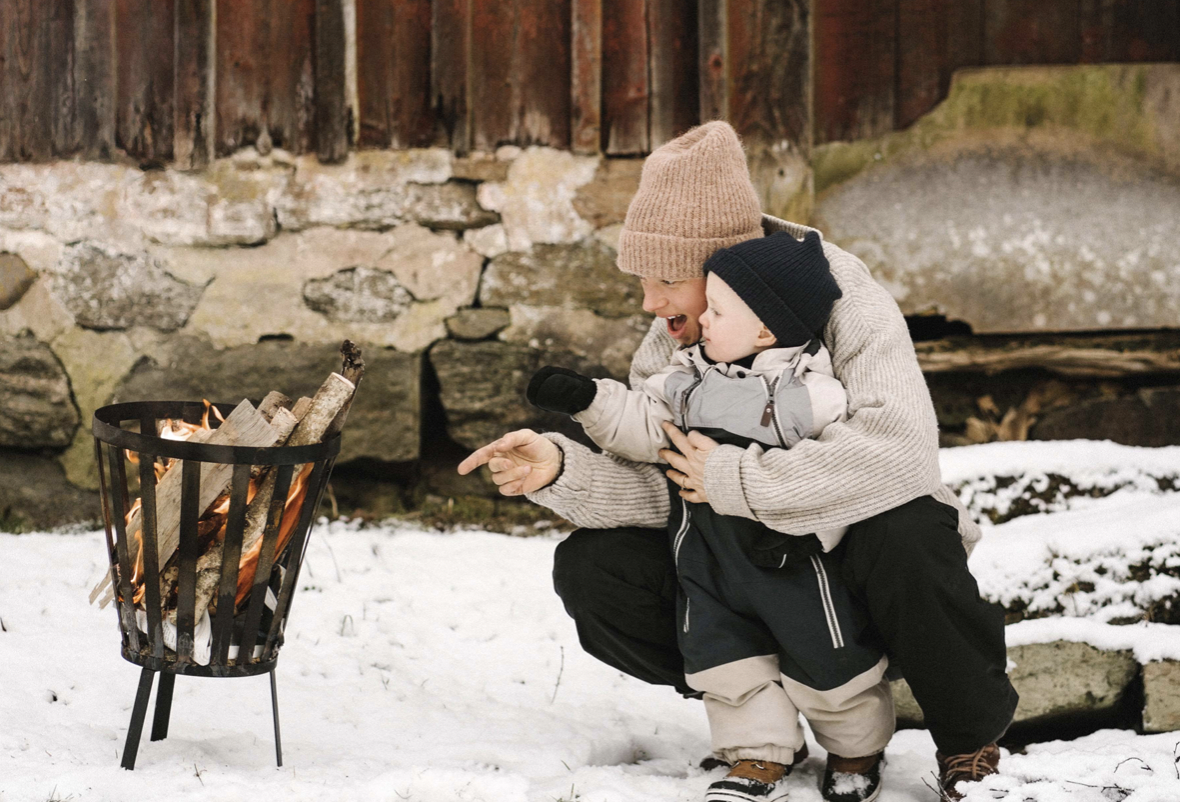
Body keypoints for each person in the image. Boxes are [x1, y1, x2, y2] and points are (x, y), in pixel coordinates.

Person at [458, 121, 1018, 801]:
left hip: (848, 548)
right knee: (593, 571)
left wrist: (738, 480)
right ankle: (760, 723)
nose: (650, 301)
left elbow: (899, 453)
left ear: (727, 266)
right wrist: (560, 467)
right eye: (642, 280)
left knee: (909, 532)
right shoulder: (677, 335)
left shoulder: (842, 296)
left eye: (666, 280)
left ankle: (969, 744)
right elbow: (670, 480)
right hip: (736, 558)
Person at [526, 231, 891, 802]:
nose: (706, 321)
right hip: (705, 556)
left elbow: (820, 435)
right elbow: (647, 425)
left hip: (792, 557)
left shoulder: (813, 390)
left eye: (718, 311)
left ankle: (856, 748)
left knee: (827, 658)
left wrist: (710, 403)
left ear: (766, 330)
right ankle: (757, 753)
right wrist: (588, 400)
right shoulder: (687, 376)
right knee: (724, 658)